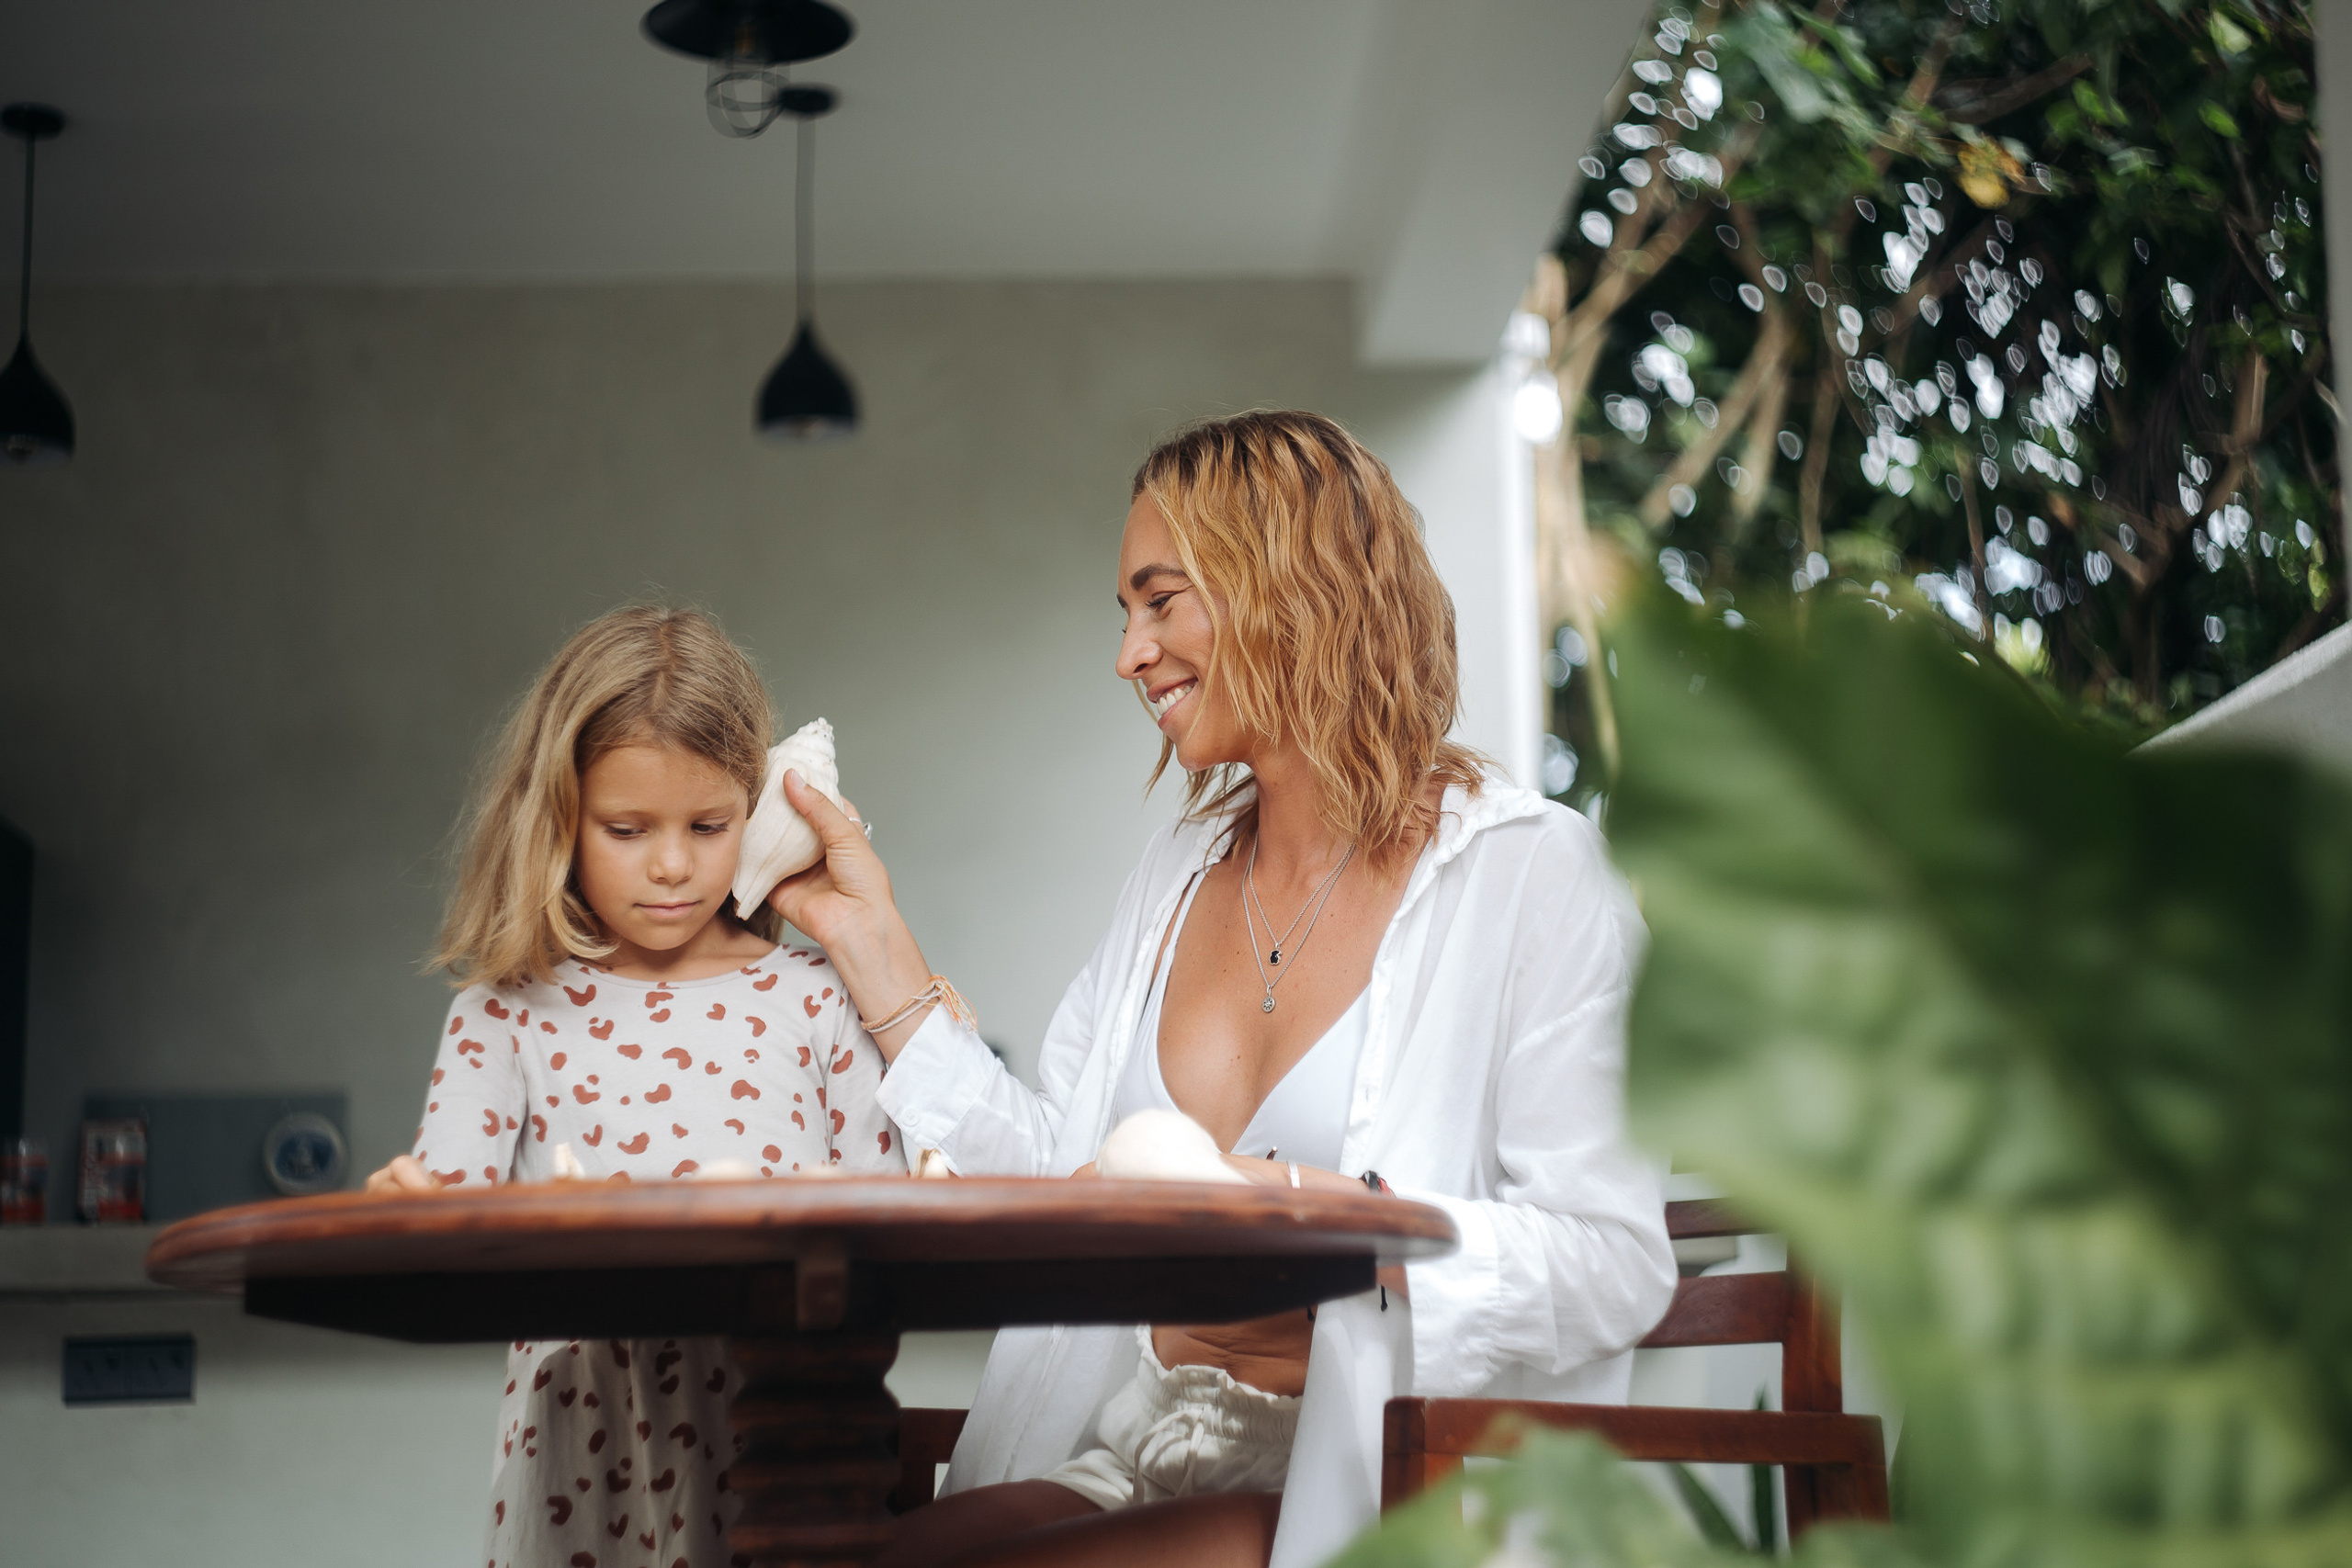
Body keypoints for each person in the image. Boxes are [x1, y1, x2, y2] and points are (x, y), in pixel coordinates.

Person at [763, 412, 1677, 1568]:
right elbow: (1057, 1177)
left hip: (1377, 1480)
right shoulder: (1178, 876)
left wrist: (1322, 1212)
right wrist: (869, 939)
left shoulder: (1530, 874)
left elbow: (1611, 1263)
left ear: (1292, 587)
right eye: (1125, 613)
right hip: (1142, 1444)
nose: (1128, 654)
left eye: (1160, 601)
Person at [366, 604, 906, 1568]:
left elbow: (892, 1226)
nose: (671, 865)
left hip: (785, 1437)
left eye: (709, 826)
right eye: (626, 828)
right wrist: (407, 1214)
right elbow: (448, 1230)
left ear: (757, 813)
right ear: (559, 819)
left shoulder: (818, 997)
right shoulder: (504, 1011)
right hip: (582, 1447)